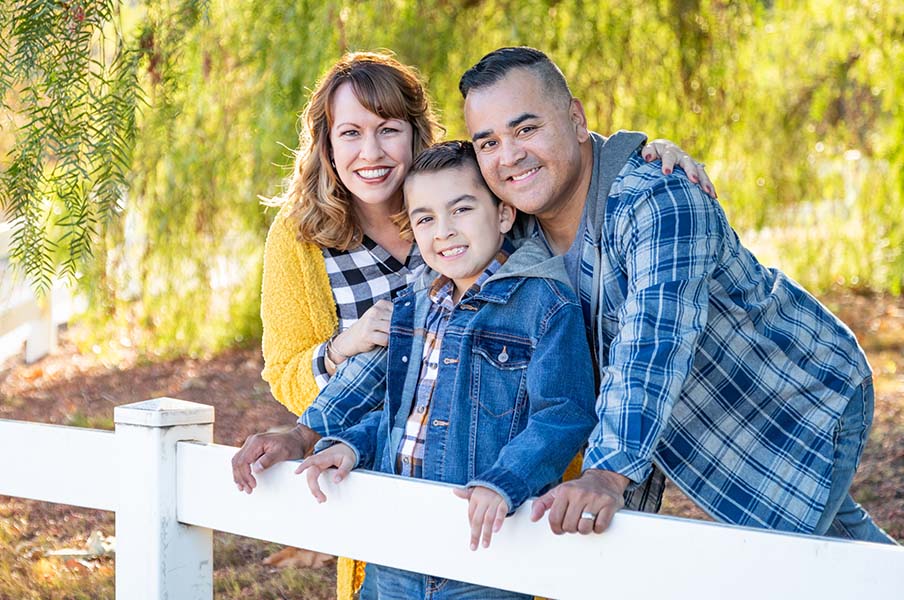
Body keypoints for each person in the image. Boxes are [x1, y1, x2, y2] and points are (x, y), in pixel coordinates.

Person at [230, 50, 719, 599]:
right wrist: (330, 430)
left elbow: (549, 154)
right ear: (326, 143)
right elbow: (399, 402)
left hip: (500, 528)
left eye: (388, 130)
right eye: (350, 133)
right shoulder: (394, 283)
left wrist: (641, 154)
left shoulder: (505, 226)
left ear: (416, 135)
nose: (370, 151)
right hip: (396, 540)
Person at [458, 46, 897, 543]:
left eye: (526, 129)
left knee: (778, 573)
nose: (509, 156)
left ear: (577, 119)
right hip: (712, 426)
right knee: (848, 558)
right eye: (487, 142)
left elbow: (654, 341)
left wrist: (606, 475)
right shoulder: (513, 228)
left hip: (795, 396)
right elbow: (433, 222)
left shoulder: (660, 198)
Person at [296, 140, 598, 599]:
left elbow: (563, 413)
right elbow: (405, 413)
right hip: (396, 551)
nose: (444, 232)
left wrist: (505, 481)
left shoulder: (544, 304)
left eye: (461, 210)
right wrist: (351, 445)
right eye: (425, 219)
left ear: (502, 214)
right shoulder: (412, 306)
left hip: (485, 554)